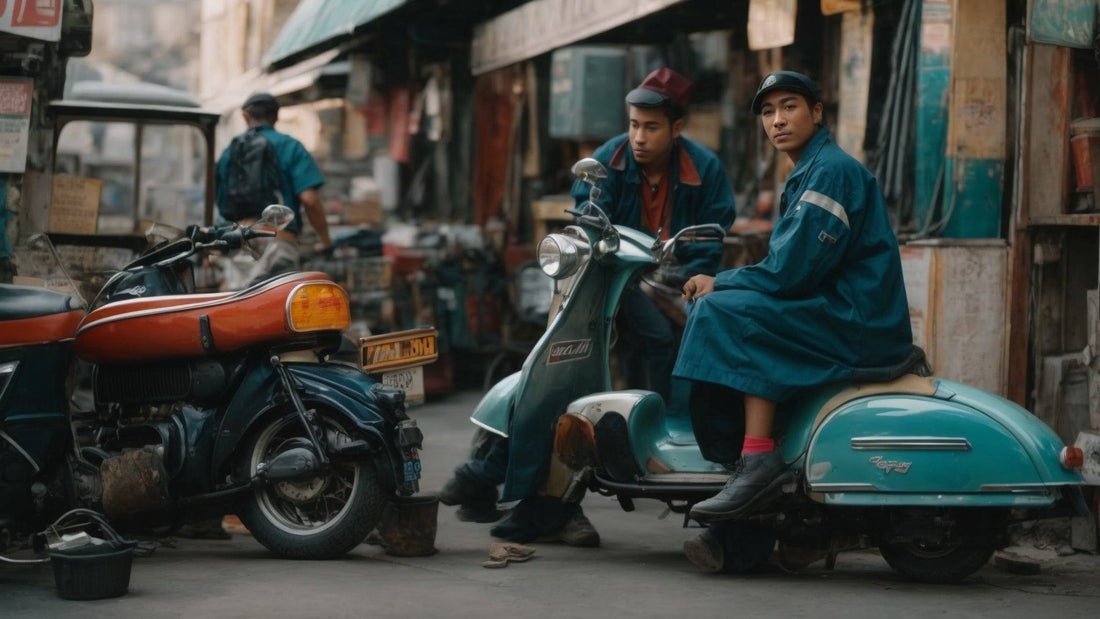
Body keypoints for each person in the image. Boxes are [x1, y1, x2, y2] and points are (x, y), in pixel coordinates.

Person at [439, 68, 736, 547]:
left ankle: (670, 440)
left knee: (692, 347)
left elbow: (712, 236)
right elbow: (587, 229)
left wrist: (689, 274)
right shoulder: (607, 161)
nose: (639, 137)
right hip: (605, 283)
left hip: (675, 282)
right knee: (569, 369)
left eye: (652, 127)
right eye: (635, 124)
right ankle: (510, 473)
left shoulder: (705, 168)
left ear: (677, 128)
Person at [673, 71, 913, 569]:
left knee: (727, 312)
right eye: (767, 112)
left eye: (789, 107)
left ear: (817, 113)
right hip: (837, 309)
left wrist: (722, 281)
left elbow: (791, 273)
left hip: (855, 321)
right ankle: (751, 465)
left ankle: (756, 456)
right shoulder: (810, 169)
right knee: (725, 306)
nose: (777, 120)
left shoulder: (830, 172)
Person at [215, 92, 331, 286]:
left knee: (240, 311)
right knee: (278, 310)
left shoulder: (229, 151)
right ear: (276, 116)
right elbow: (310, 200)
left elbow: (220, 203)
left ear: (245, 116)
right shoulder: (291, 147)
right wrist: (325, 240)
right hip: (279, 244)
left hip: (239, 246)